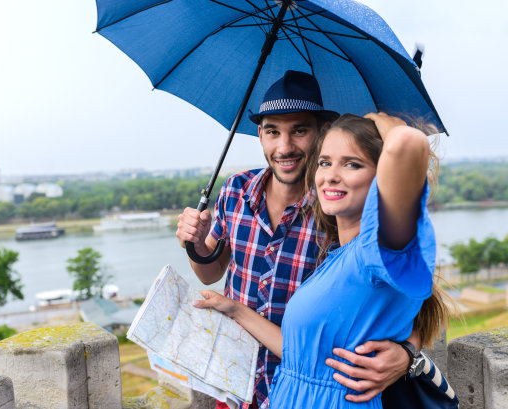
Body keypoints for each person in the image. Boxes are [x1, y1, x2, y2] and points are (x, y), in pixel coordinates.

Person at [176, 71, 439, 409]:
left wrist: (407, 355)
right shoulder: (235, 191)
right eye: (273, 131)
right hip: (237, 384)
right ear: (260, 135)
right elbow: (211, 272)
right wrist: (196, 246)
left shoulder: (338, 214)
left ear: (319, 134)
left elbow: (398, 302)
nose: (284, 147)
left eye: (299, 130)